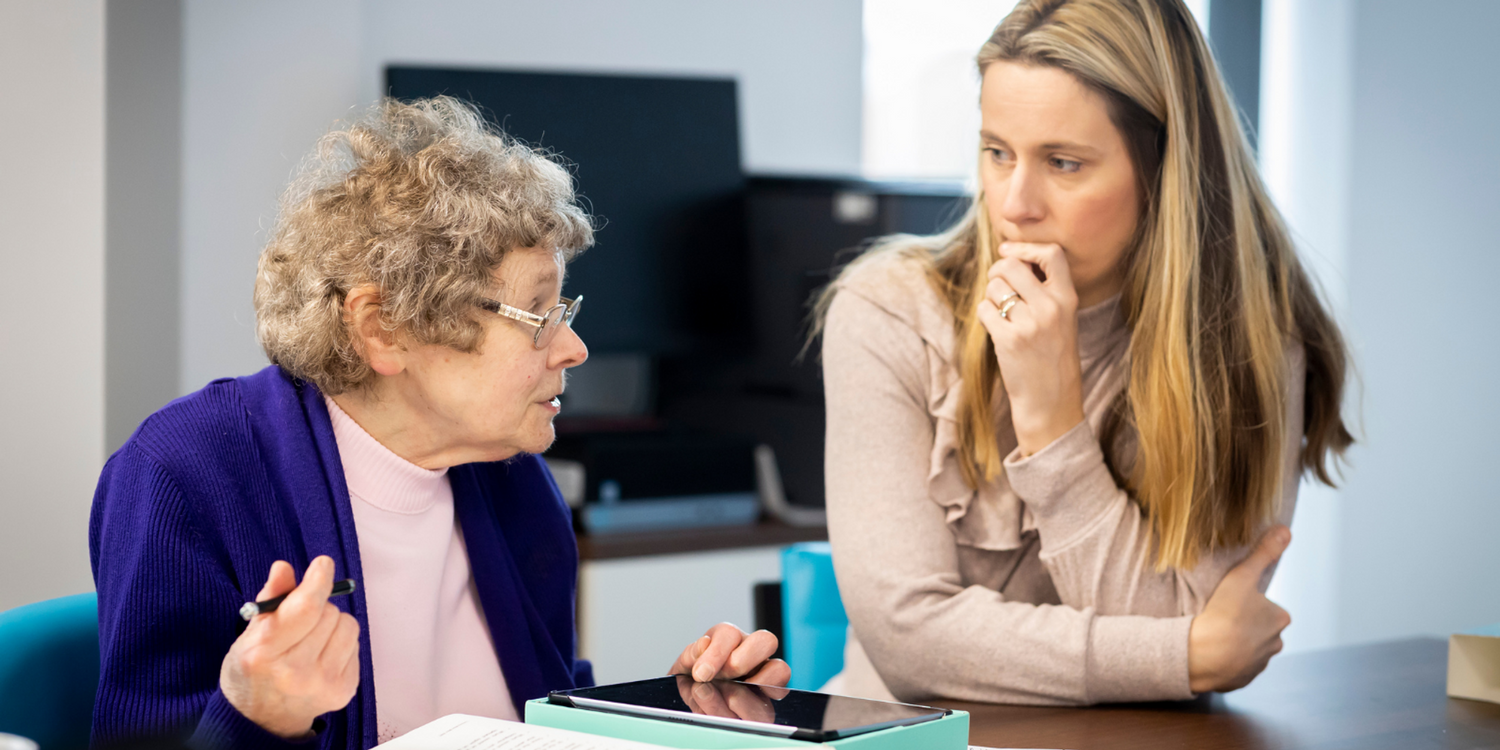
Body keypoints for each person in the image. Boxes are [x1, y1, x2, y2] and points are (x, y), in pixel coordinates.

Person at [89, 97, 787, 750]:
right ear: (384, 328)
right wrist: (255, 719)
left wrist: (686, 716)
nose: (573, 349)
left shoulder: (515, 482)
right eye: (538, 315)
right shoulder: (188, 473)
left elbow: (543, 718)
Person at [817, 0, 1352, 705]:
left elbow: (1179, 647)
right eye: (997, 151)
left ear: (1167, 172)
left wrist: (1051, 422)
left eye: (1063, 163)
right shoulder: (889, 311)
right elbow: (909, 642)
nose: (1014, 203)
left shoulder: (1252, 345)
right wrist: (1186, 655)